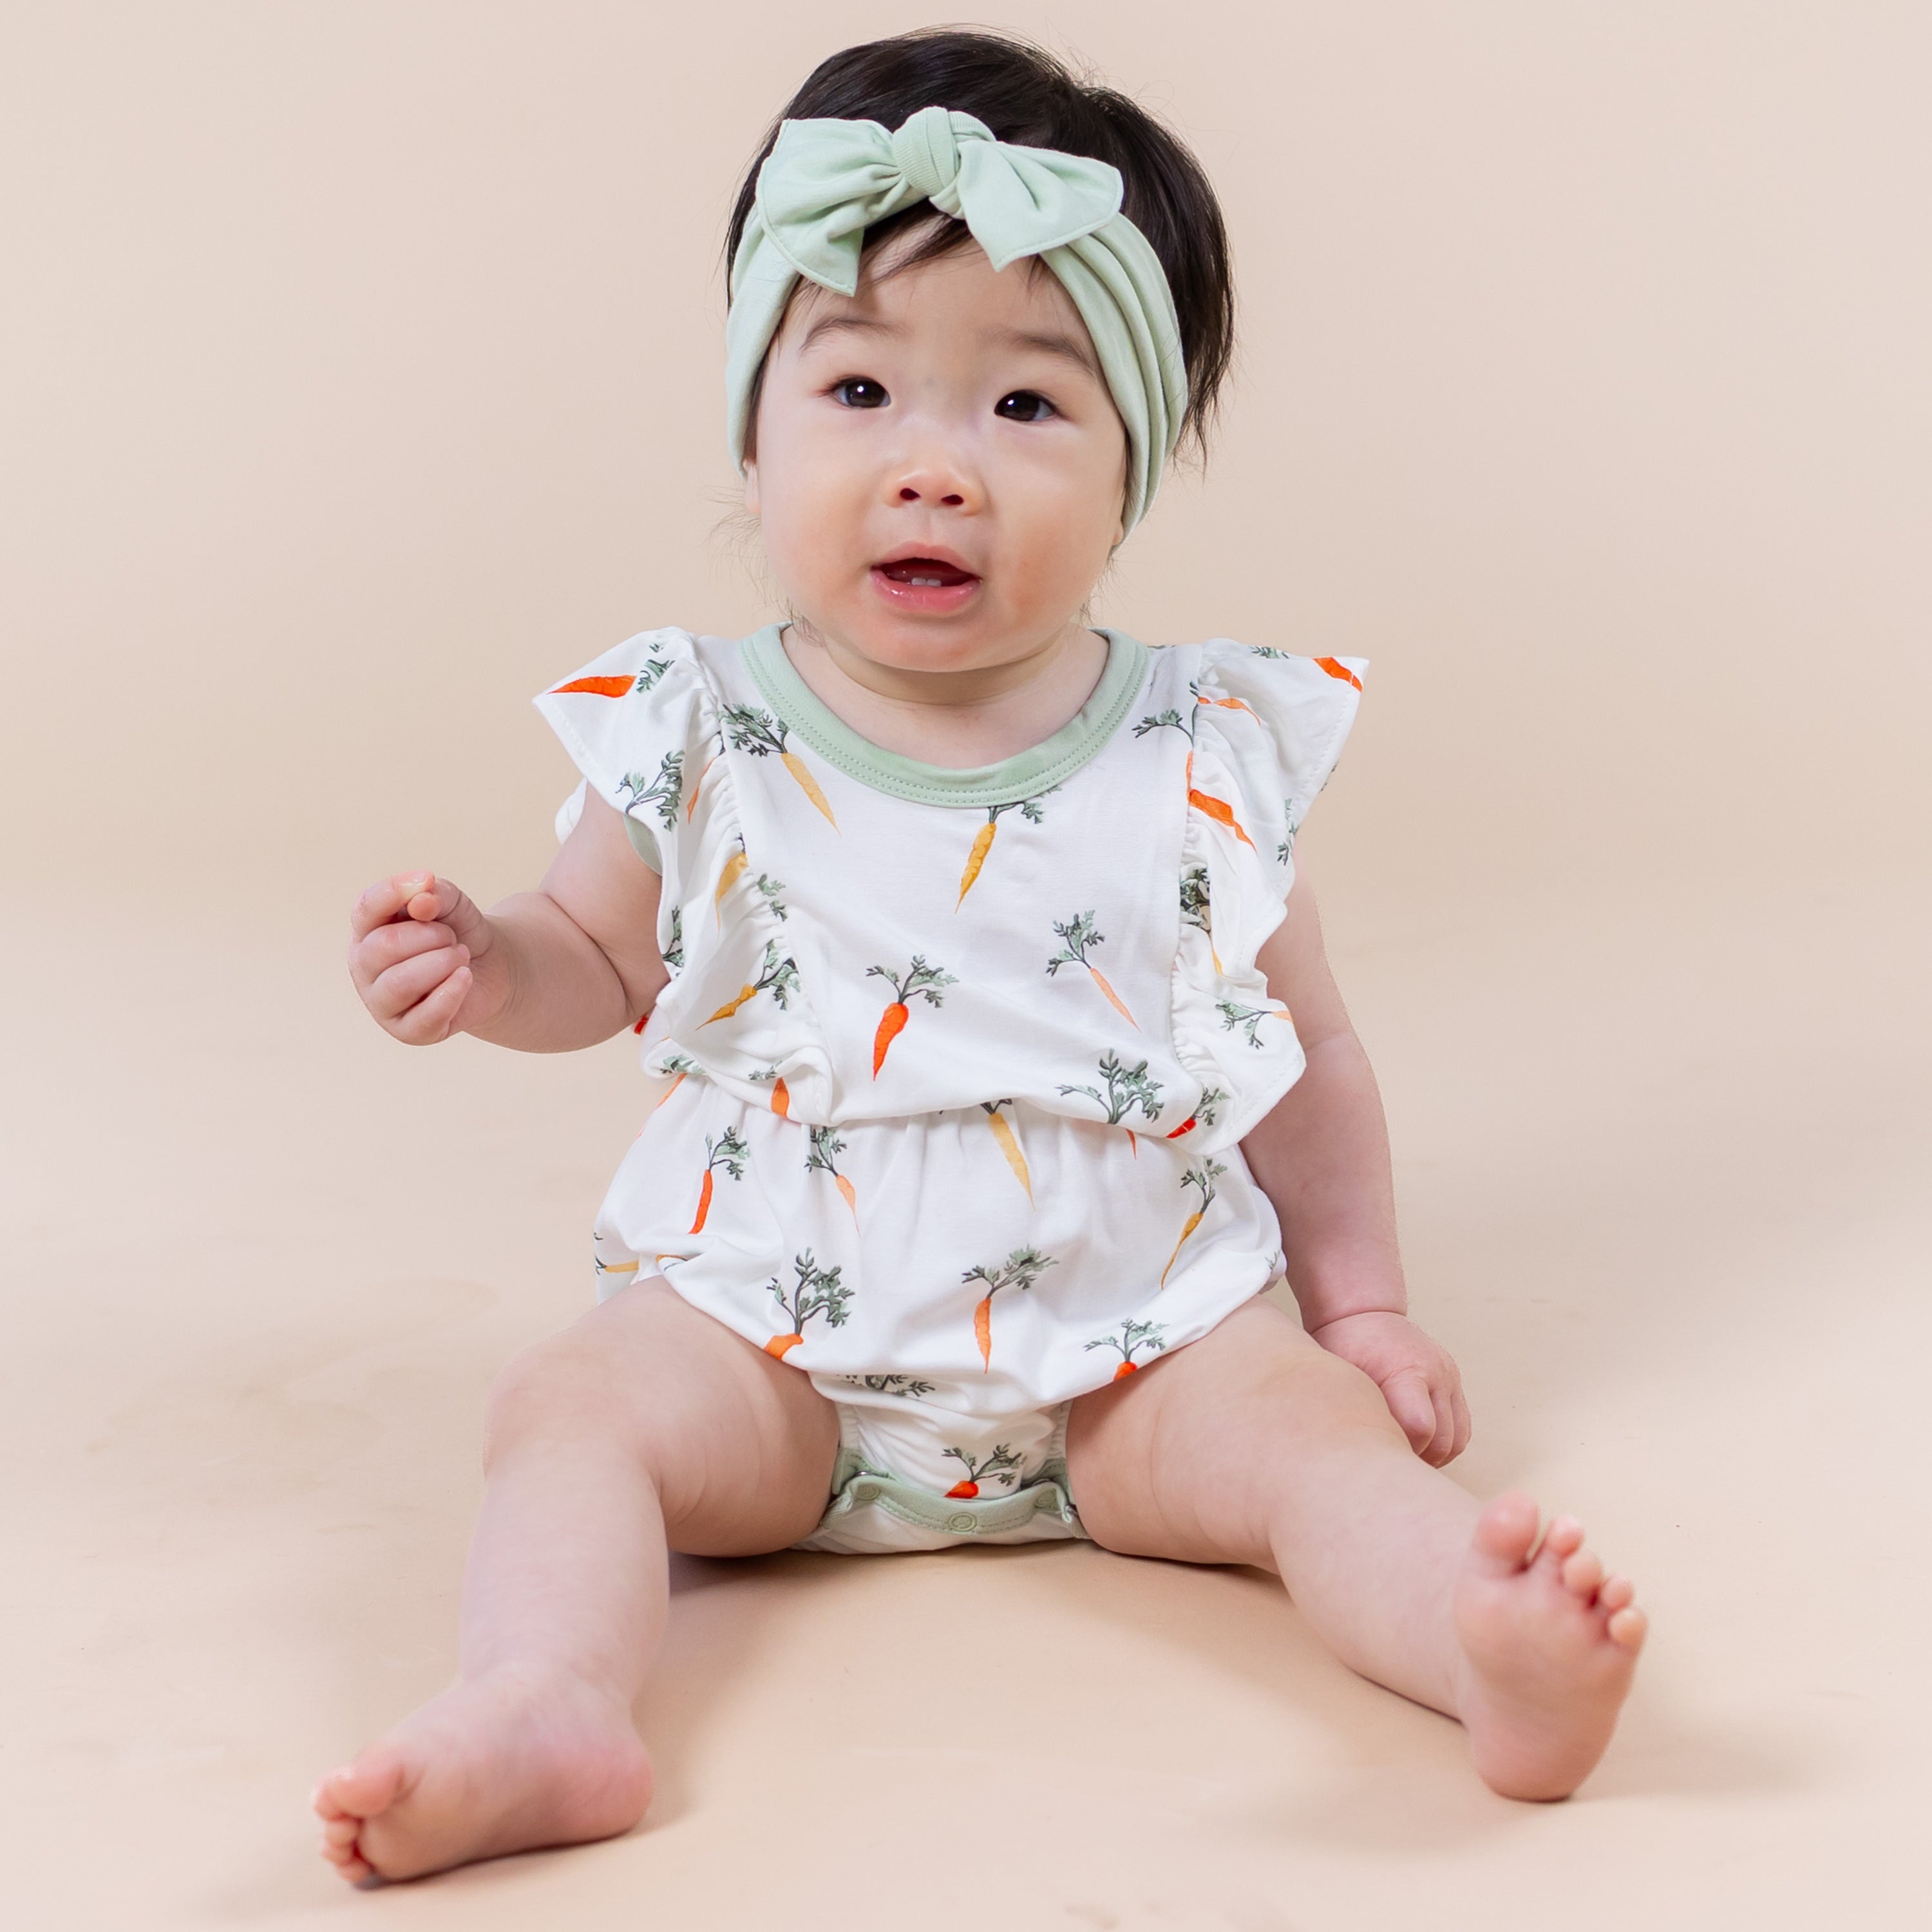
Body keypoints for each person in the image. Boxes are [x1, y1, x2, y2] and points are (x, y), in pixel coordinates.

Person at [317, 28, 1645, 1886]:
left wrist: (1357, 1311)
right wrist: (487, 962)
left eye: (1026, 409)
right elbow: (594, 965)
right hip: (771, 1335)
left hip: (1134, 1350)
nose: (935, 469)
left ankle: (1475, 1649)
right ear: (755, 425)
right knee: (566, 1408)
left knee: (1322, 1448)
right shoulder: (698, 729)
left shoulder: (1198, 752)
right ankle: (554, 1696)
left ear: (1136, 466)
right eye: (858, 387)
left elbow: (1311, 1057)